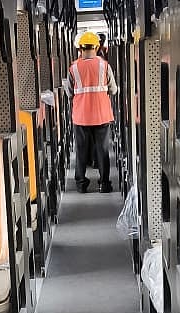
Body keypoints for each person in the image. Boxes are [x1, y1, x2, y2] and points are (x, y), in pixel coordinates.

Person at [65, 31, 118, 193]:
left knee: (81, 150)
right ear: (96, 47)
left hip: (81, 116)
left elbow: (69, 93)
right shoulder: (104, 65)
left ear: (80, 48)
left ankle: (81, 184)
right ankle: (104, 184)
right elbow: (114, 90)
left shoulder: (73, 68)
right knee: (102, 150)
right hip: (102, 114)